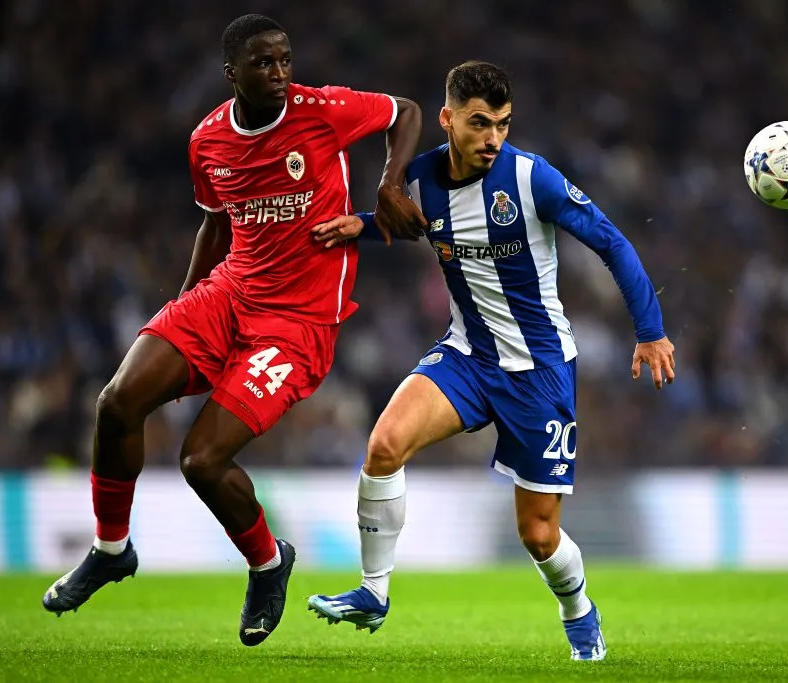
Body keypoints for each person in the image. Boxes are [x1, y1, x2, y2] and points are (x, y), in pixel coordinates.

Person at [41, 14, 427, 648]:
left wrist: (388, 182)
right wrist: (186, 303)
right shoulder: (207, 141)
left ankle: (269, 563)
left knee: (201, 460)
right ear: (232, 74)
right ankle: (111, 549)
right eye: (263, 64)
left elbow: (406, 110)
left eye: (284, 60)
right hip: (229, 295)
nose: (279, 73)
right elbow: (216, 225)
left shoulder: (322, 110)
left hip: (298, 323)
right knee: (117, 403)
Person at [306, 61, 675, 662]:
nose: (492, 138)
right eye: (480, 124)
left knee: (538, 535)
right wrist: (363, 228)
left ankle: (579, 610)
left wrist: (650, 331)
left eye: (502, 125)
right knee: (383, 446)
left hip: (540, 372)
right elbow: (411, 223)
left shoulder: (533, 180)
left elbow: (611, 240)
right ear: (448, 119)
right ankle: (374, 592)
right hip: (467, 358)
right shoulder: (422, 178)